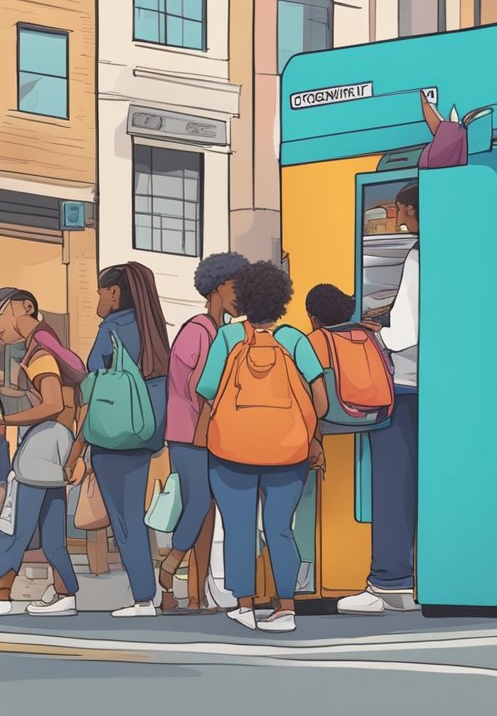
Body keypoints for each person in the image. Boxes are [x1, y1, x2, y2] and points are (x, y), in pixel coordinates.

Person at [197, 261, 328, 633]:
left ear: (243, 297)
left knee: (238, 526)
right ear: (282, 299)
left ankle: (244, 606)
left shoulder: (227, 339)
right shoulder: (295, 340)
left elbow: (207, 392)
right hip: (288, 452)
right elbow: (320, 398)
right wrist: (306, 433)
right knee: (280, 527)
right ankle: (285, 607)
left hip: (230, 451)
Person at [63, 263, 171, 618]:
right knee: (133, 518)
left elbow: (93, 380)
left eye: (99, 291)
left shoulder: (112, 329)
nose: (97, 298)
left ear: (114, 292)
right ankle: (147, 594)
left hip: (111, 439)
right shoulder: (153, 330)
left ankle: (143, 598)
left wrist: (79, 447)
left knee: (123, 522)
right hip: (143, 434)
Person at [341, 182, 421, 615]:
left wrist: (377, 332)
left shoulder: (418, 254)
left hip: (406, 386)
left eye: (403, 213)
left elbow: (407, 330)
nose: (401, 220)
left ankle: (390, 582)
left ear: (410, 209)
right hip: (448, 390)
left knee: (393, 485)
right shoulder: (463, 249)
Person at [159, 253, 249, 615]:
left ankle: (196, 596)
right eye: (233, 286)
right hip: (189, 433)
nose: (238, 294)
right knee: (198, 504)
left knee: (206, 510)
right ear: (215, 288)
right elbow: (198, 388)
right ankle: (167, 570)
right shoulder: (198, 330)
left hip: (204, 433)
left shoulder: (216, 331)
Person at [0, 289, 80, 617]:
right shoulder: (50, 345)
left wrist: (5, 417)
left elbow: (52, 403)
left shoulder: (41, 352)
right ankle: (66, 594)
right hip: (58, 445)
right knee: (51, 533)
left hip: (41, 446)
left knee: (15, 527)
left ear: (24, 307)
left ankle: (2, 593)